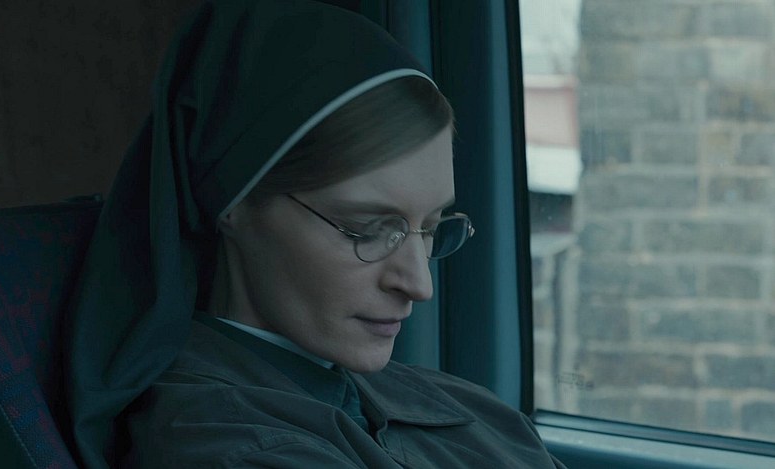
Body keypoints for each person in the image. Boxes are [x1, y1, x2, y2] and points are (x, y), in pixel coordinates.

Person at [64, 0, 566, 467]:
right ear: (234, 204)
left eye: (431, 228)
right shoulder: (231, 449)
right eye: (368, 229)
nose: (420, 285)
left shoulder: (464, 403)